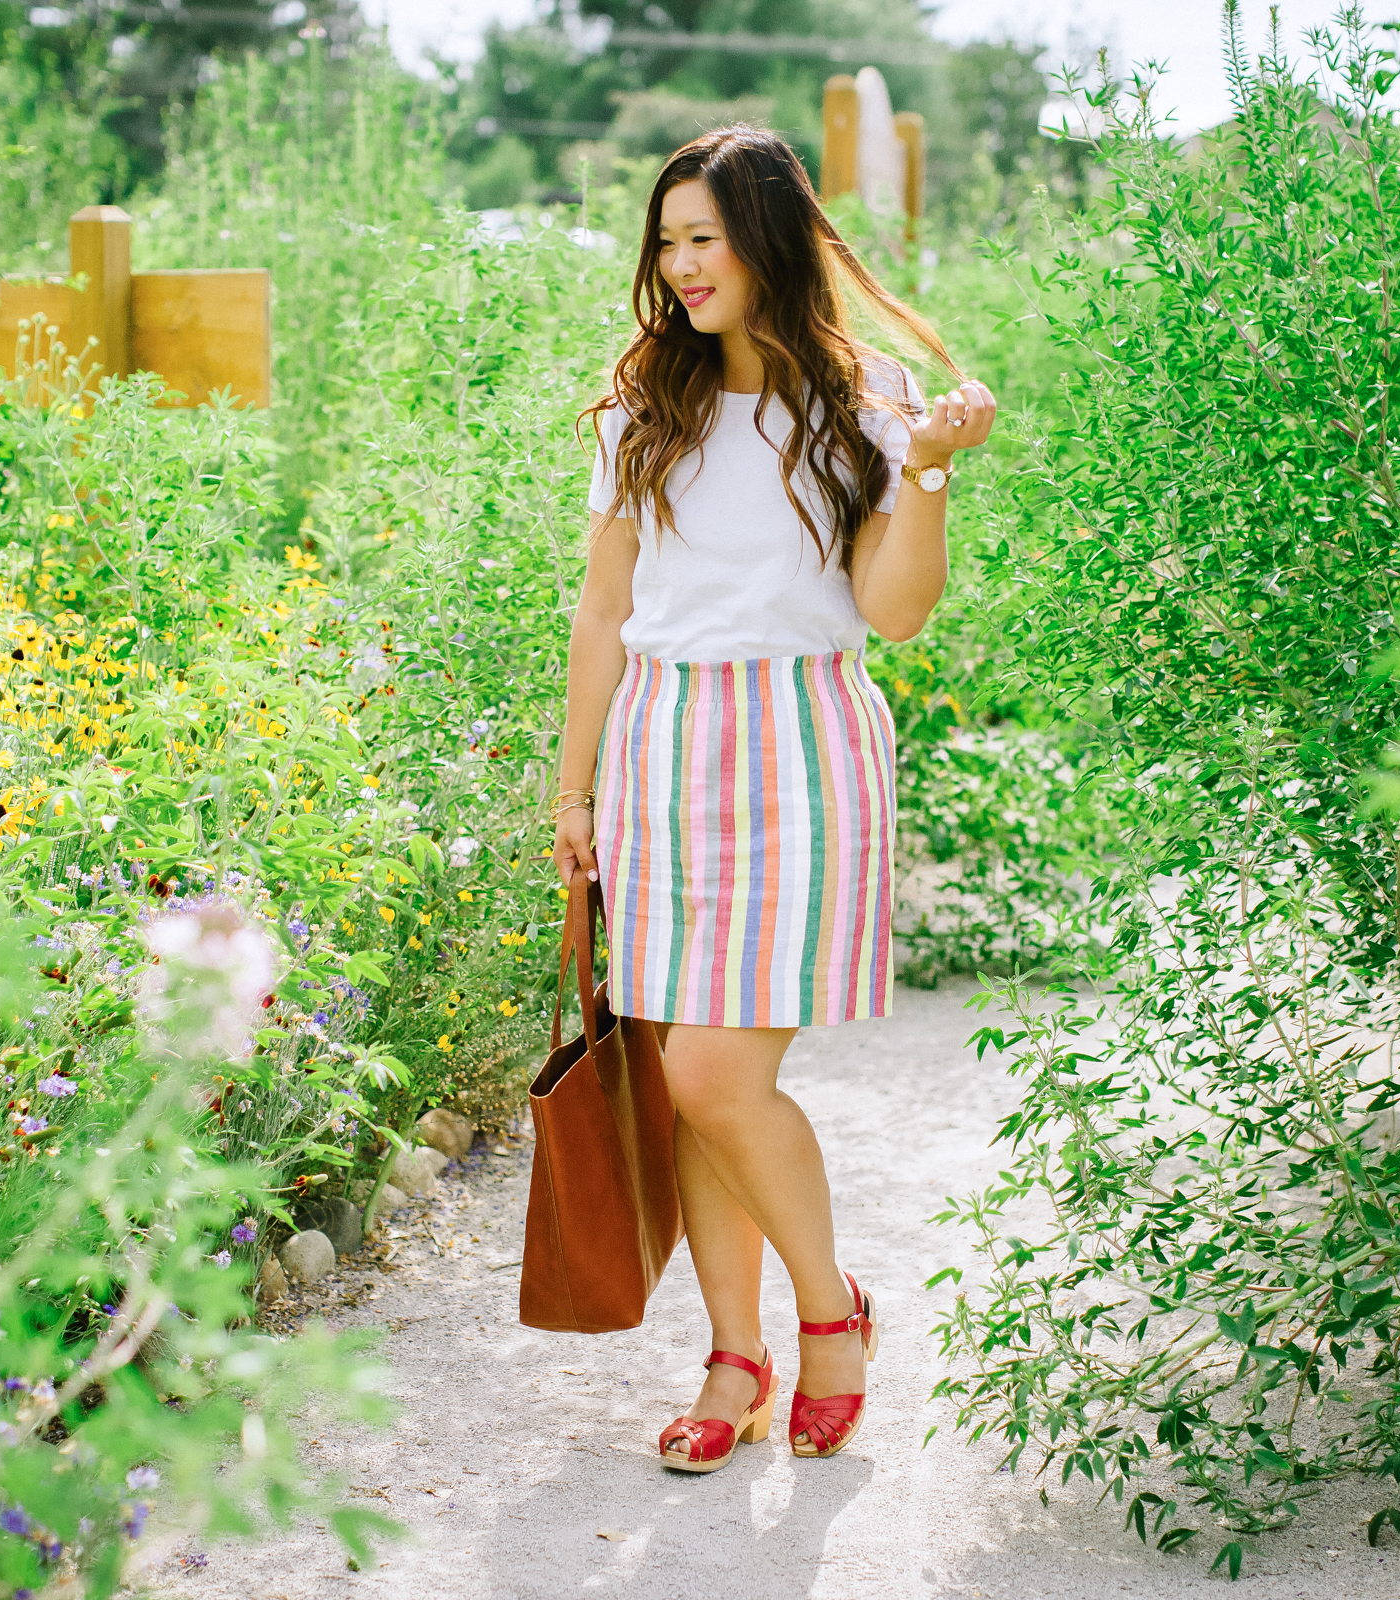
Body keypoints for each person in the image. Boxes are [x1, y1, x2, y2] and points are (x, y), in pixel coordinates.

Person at [549, 125, 997, 1473]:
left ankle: (830, 1314)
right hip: (659, 748)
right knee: (695, 1088)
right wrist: (571, 790)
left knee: (711, 1072)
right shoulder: (646, 401)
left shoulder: (868, 399)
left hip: (804, 741)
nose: (682, 266)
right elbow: (605, 607)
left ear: (769, 239)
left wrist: (924, 474)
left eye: (705, 237)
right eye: (667, 242)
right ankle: (736, 1358)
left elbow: (894, 614)